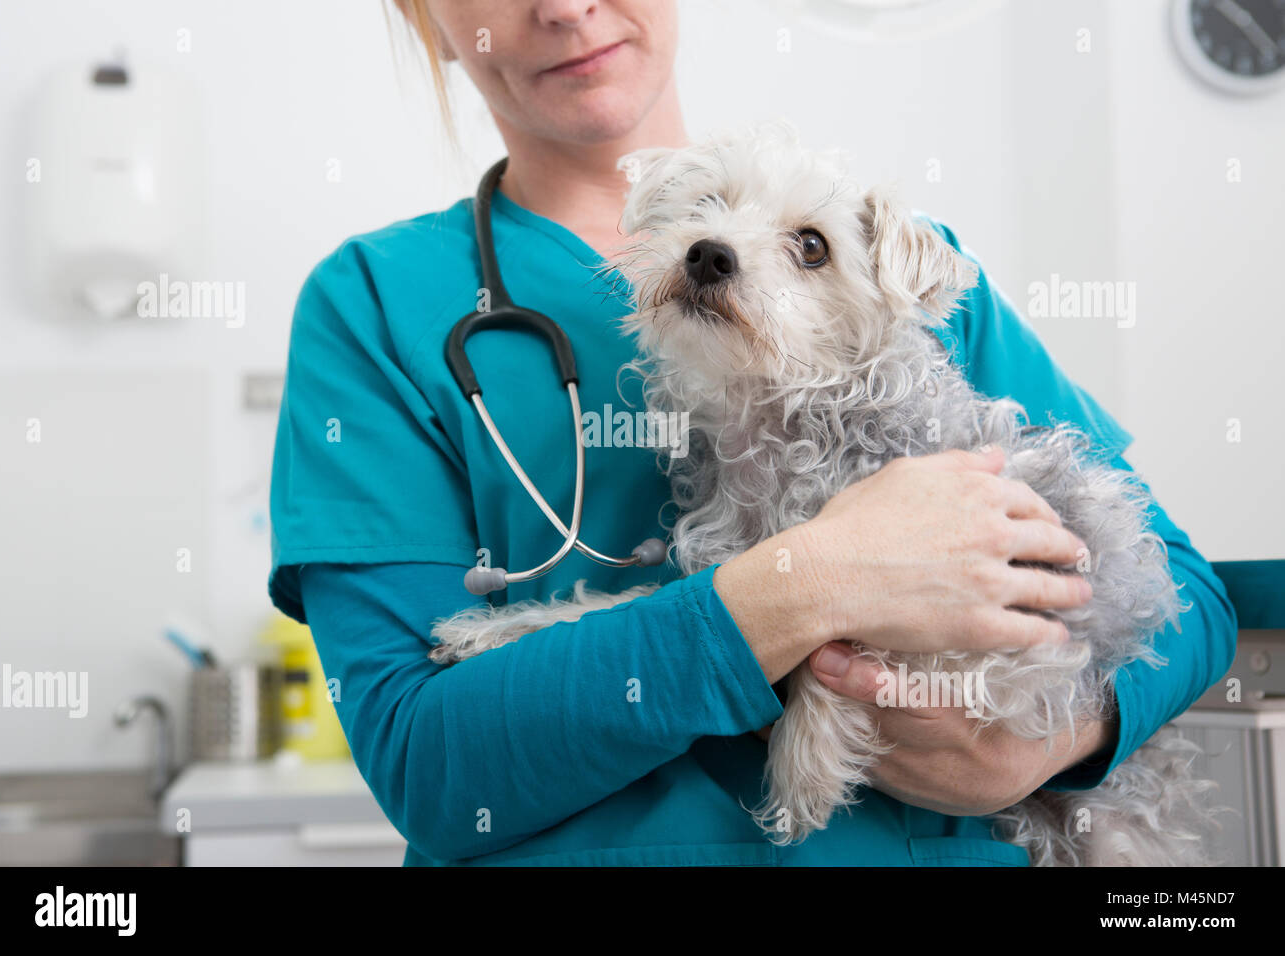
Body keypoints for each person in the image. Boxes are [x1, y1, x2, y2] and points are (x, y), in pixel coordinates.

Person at [267, 0, 1236, 866]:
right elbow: (433, 769)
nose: (564, 7)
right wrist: (811, 581)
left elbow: (1184, 596)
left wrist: (1052, 735)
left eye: (803, 248)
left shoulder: (906, 304)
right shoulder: (373, 309)